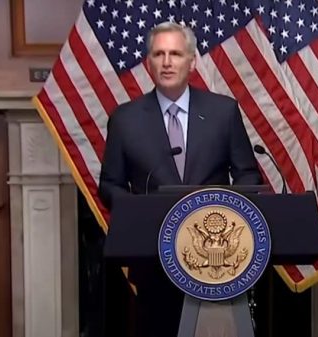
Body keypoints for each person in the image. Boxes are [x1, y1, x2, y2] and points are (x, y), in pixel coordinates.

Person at [98, 22, 262, 337]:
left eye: (175, 53)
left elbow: (247, 173)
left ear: (192, 61)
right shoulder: (125, 119)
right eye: (159, 54)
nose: (167, 62)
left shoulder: (223, 111)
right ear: (148, 63)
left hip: (216, 259)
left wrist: (225, 215)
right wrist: (138, 212)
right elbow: (109, 185)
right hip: (153, 259)